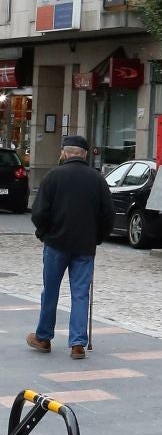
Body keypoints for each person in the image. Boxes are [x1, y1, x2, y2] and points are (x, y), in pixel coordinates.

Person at [27, 134, 115, 360]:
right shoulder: (97, 179)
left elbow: (39, 212)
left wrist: (44, 233)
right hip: (85, 245)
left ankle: (43, 337)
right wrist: (97, 237)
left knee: (50, 291)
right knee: (80, 294)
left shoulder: (53, 176)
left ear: (64, 153)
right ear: (84, 155)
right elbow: (108, 215)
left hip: (56, 243)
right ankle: (77, 344)